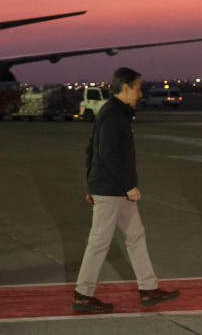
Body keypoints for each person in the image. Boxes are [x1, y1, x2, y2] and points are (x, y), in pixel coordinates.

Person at [73, 67, 180, 312]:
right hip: (113, 190)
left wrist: (91, 183)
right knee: (99, 242)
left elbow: (91, 149)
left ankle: (148, 289)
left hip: (111, 188)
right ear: (125, 88)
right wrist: (127, 186)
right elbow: (106, 154)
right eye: (138, 88)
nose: (140, 93)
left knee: (135, 236)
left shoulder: (114, 112)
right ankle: (82, 293)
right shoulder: (113, 114)